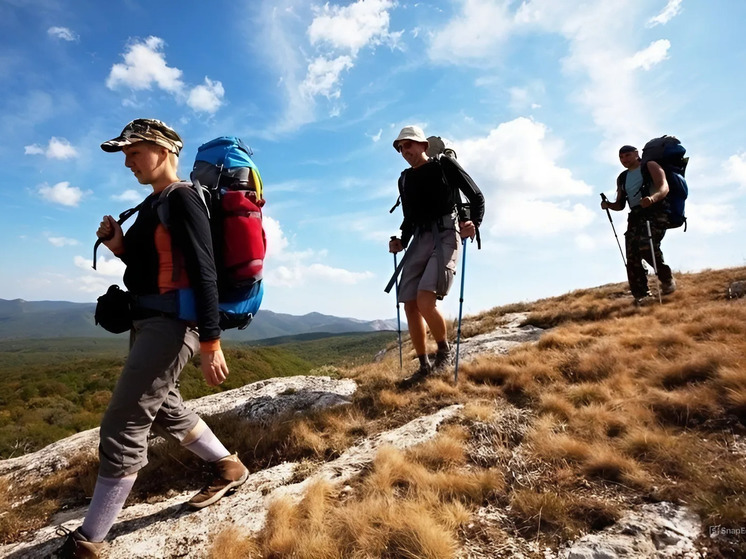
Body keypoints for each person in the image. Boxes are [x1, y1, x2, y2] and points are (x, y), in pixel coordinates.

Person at [57, 119, 248, 558]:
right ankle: (228, 467)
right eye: (125, 156)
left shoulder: (182, 199)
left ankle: (90, 541)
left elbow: (204, 271)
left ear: (162, 150)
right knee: (163, 407)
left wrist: (211, 342)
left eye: (133, 152)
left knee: (123, 422)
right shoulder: (153, 203)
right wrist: (118, 244)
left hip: (174, 326)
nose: (128, 162)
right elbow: (148, 266)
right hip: (150, 321)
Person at [388, 125, 485, 388]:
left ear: (423, 145)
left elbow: (476, 195)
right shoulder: (405, 179)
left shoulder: (445, 165)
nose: (404, 150)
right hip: (420, 237)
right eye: (400, 147)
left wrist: (473, 222)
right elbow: (409, 218)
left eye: (408, 144)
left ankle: (444, 351)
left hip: (445, 233)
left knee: (424, 299)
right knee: (409, 303)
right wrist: (400, 240)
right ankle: (423, 366)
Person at [601, 144, 676, 304]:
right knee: (632, 254)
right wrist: (608, 205)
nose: (624, 159)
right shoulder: (622, 177)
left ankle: (667, 280)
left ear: (636, 154)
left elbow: (664, 187)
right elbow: (620, 205)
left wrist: (652, 199)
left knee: (646, 246)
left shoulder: (650, 166)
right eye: (621, 157)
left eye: (627, 155)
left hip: (656, 211)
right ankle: (641, 295)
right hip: (635, 215)